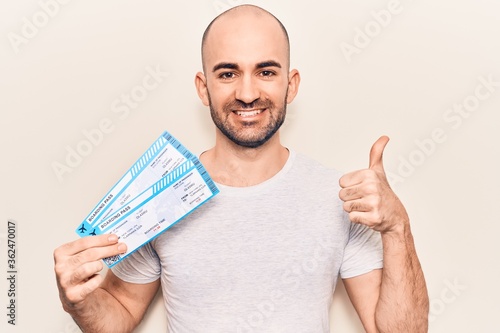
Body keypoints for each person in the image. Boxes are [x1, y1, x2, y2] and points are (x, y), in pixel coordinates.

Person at [54, 5, 429, 332]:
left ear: (291, 84)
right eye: (228, 73)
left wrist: (398, 226)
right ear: (203, 88)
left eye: (265, 72)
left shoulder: (340, 198)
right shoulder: (164, 196)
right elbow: (119, 315)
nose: (247, 93)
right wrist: (78, 301)